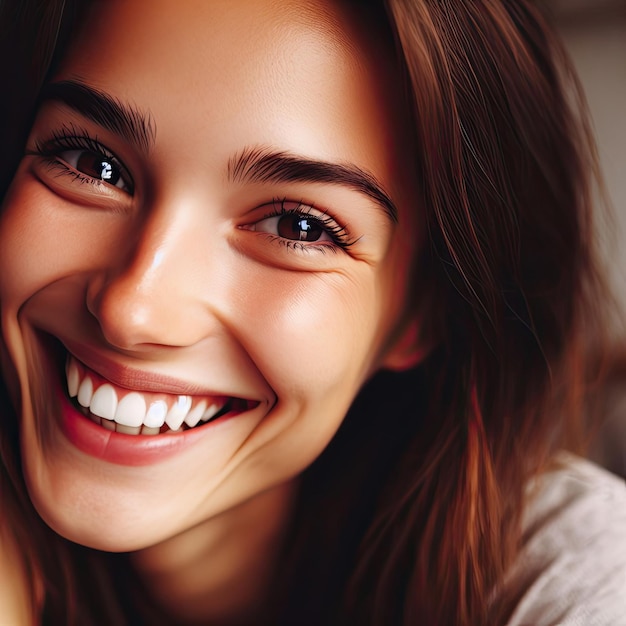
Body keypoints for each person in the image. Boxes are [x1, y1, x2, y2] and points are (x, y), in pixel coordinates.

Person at [0, 0, 624, 624]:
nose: (132, 310)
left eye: (297, 226)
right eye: (91, 164)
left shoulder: (578, 583)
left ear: (425, 313)